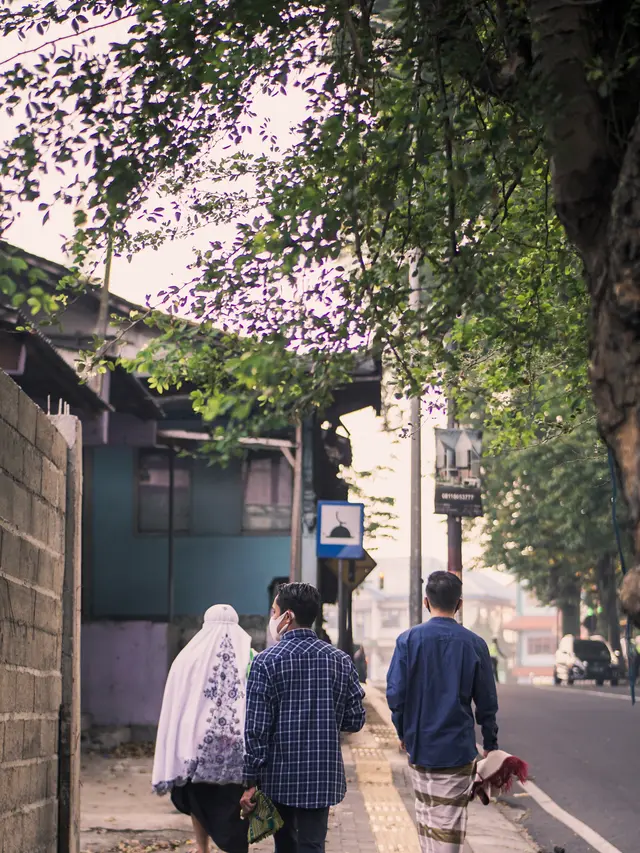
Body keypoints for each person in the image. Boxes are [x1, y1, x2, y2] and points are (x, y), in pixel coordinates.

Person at [240, 582, 366, 853]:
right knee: (312, 845)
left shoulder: (265, 662)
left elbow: (255, 729)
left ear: (288, 617)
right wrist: (326, 718)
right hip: (322, 775)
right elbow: (355, 720)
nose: (271, 617)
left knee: (284, 845)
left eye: (274, 611)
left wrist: (249, 781)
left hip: (278, 775)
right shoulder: (341, 661)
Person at [387, 571, 499, 853]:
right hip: (458, 749)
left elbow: (396, 695)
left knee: (426, 817)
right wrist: (491, 745)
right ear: (459, 604)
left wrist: (403, 732)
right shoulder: (474, 644)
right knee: (448, 824)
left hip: (420, 747)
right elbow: (486, 701)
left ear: (427, 602)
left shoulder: (408, 640)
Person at [152, 604, 253, 853]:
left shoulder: (187, 658)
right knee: (233, 801)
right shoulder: (251, 655)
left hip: (195, 744)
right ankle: (234, 845)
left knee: (198, 798)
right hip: (237, 745)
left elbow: (176, 701)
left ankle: (201, 846)